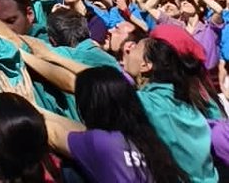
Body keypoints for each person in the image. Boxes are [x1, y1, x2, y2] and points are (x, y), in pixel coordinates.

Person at [37, 65, 193, 183]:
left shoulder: (101, 142)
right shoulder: (145, 140)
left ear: (90, 107)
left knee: (70, 169)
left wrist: (29, 104)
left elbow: (54, 136)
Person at [125, 28, 220, 183]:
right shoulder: (187, 102)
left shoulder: (150, 104)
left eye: (136, 46)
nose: (129, 47)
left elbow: (103, 93)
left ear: (146, 65)